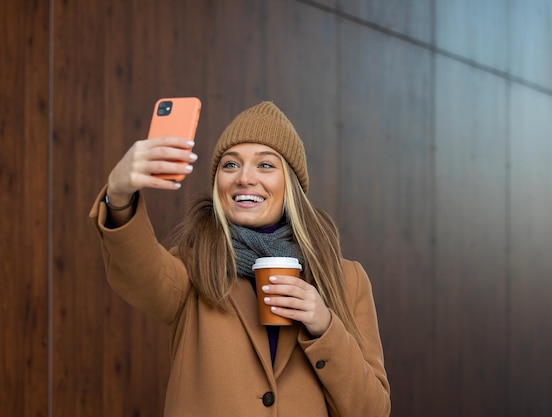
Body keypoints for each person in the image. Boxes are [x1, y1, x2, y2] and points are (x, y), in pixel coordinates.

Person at [90, 101, 391, 416]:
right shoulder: (192, 269)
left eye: (265, 165)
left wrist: (324, 326)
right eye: (230, 165)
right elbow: (138, 274)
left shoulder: (347, 279)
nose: (244, 178)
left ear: (292, 184)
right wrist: (119, 195)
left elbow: (372, 410)